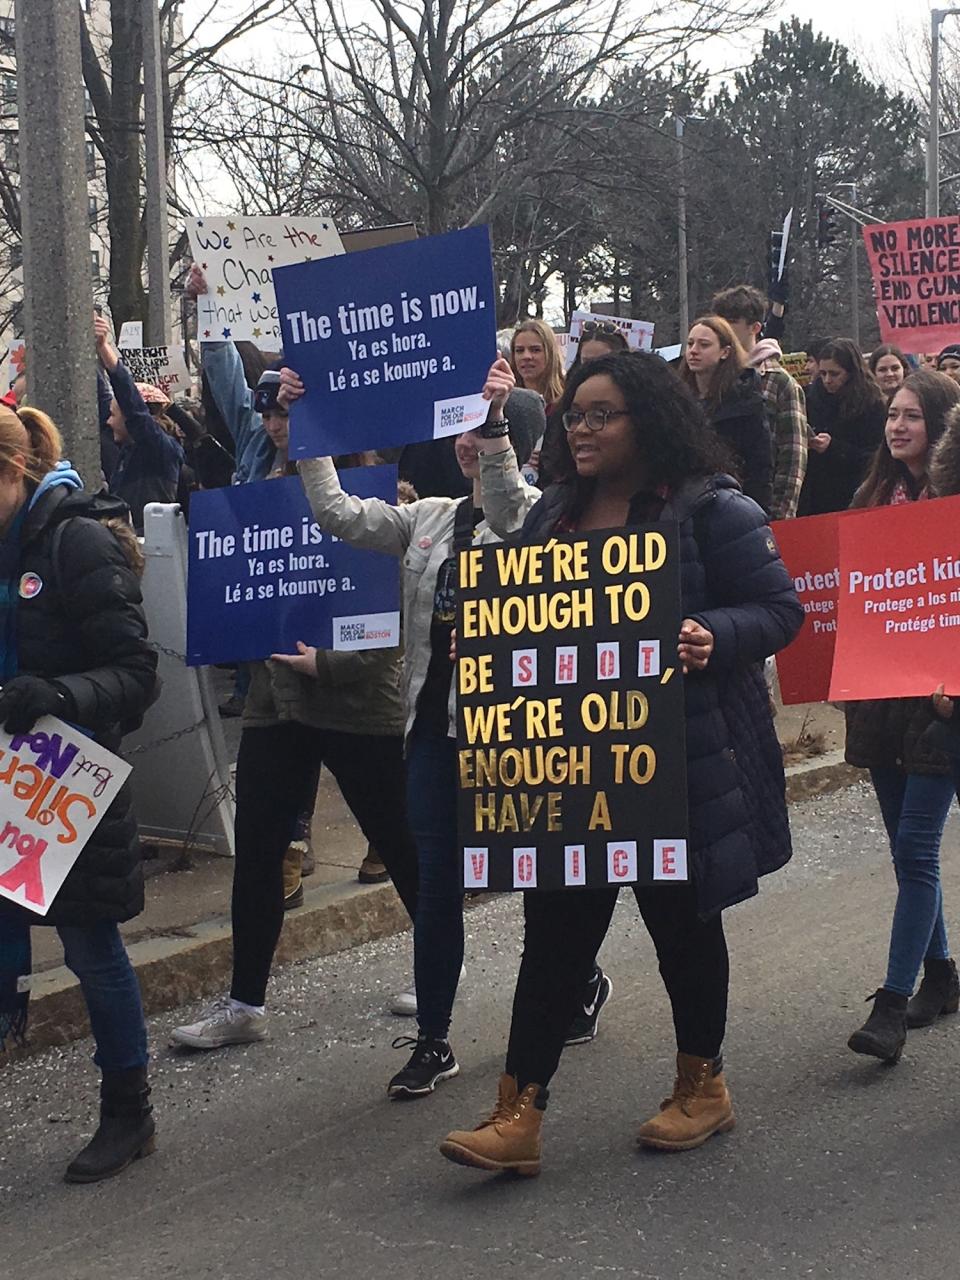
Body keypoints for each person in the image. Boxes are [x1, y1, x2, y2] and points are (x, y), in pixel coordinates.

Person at [437, 350, 802, 1176]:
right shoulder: (553, 512)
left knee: (683, 928)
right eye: (576, 416)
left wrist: (718, 635)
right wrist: (487, 647)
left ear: (652, 420)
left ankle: (701, 1084)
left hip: (678, 762)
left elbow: (781, 610)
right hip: (574, 769)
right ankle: (518, 1111)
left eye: (604, 415)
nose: (584, 429)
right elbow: (529, 613)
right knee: (554, 937)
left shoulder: (713, 509)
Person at [285, 361, 612, 1096]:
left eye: (481, 431)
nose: (464, 442)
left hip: (513, 735)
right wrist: (310, 432)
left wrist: (496, 419)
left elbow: (506, 513)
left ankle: (579, 979)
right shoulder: (429, 516)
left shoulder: (537, 516)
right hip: (433, 731)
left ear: (513, 442)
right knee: (437, 886)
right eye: (460, 430)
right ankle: (433, 1039)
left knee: (534, 879)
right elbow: (339, 514)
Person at [170, 400, 421, 1052]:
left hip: (358, 708)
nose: (276, 424)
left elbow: (392, 628)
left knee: (400, 843)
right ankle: (245, 1001)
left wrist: (328, 663)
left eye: (287, 412)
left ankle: (438, 966)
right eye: (271, 413)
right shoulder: (266, 499)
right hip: (276, 704)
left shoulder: (387, 501)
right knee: (257, 853)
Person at [0, 401, 158, 1182]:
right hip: (4, 778)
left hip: (66, 780)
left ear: (11, 471)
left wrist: (57, 695)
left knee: (92, 949)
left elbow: (136, 676)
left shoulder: (75, 541)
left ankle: (129, 1112)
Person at [843, 370, 960, 1061]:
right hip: (880, 697)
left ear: (940, 426)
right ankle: (942, 974)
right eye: (892, 414)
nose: (897, 426)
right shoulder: (872, 497)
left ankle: (890, 1004)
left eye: (912, 415)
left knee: (917, 848)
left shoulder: (952, 504)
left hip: (939, 702)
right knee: (903, 850)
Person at [711, 285, 808, 521]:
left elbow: (792, 455)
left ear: (755, 328)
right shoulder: (709, 377)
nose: (723, 328)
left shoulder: (779, 382)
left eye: (732, 321)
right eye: (719, 320)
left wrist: (779, 516)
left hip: (760, 510)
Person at [96, 317, 184, 533]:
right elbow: (102, 395)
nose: (108, 421)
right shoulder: (127, 452)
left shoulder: (160, 450)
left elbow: (131, 404)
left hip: (154, 550)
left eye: (114, 415)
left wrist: (104, 349)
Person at [680, 315, 773, 514]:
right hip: (684, 506)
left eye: (704, 345)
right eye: (690, 344)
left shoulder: (746, 402)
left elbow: (759, 468)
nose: (693, 351)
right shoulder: (677, 399)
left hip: (732, 507)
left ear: (725, 352)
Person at [798, 338, 886, 516]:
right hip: (815, 496)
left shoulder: (872, 404)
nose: (827, 380)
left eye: (834, 374)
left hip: (852, 495)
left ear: (851, 372)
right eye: (822, 374)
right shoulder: (811, 398)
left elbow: (875, 457)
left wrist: (834, 448)